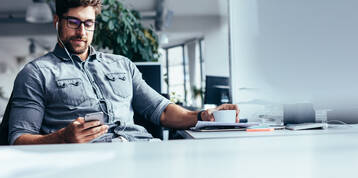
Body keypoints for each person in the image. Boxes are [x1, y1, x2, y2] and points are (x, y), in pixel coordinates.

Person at [8, 0, 239, 145]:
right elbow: (19, 138)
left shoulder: (122, 65)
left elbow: (162, 111)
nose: (82, 31)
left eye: (89, 23)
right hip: (84, 163)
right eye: (73, 22)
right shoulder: (36, 73)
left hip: (142, 150)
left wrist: (203, 116)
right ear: (57, 21)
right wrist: (63, 138)